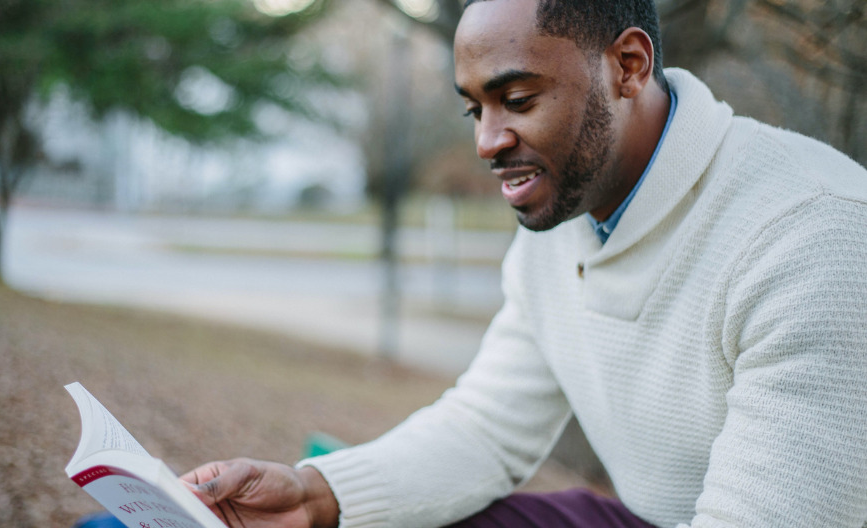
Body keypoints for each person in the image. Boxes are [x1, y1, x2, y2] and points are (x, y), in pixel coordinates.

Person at [180, 0, 867, 526]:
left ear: (628, 65)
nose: (487, 141)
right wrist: (314, 494)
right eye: (473, 109)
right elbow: (487, 428)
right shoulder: (563, 223)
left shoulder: (811, 234)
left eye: (516, 100)